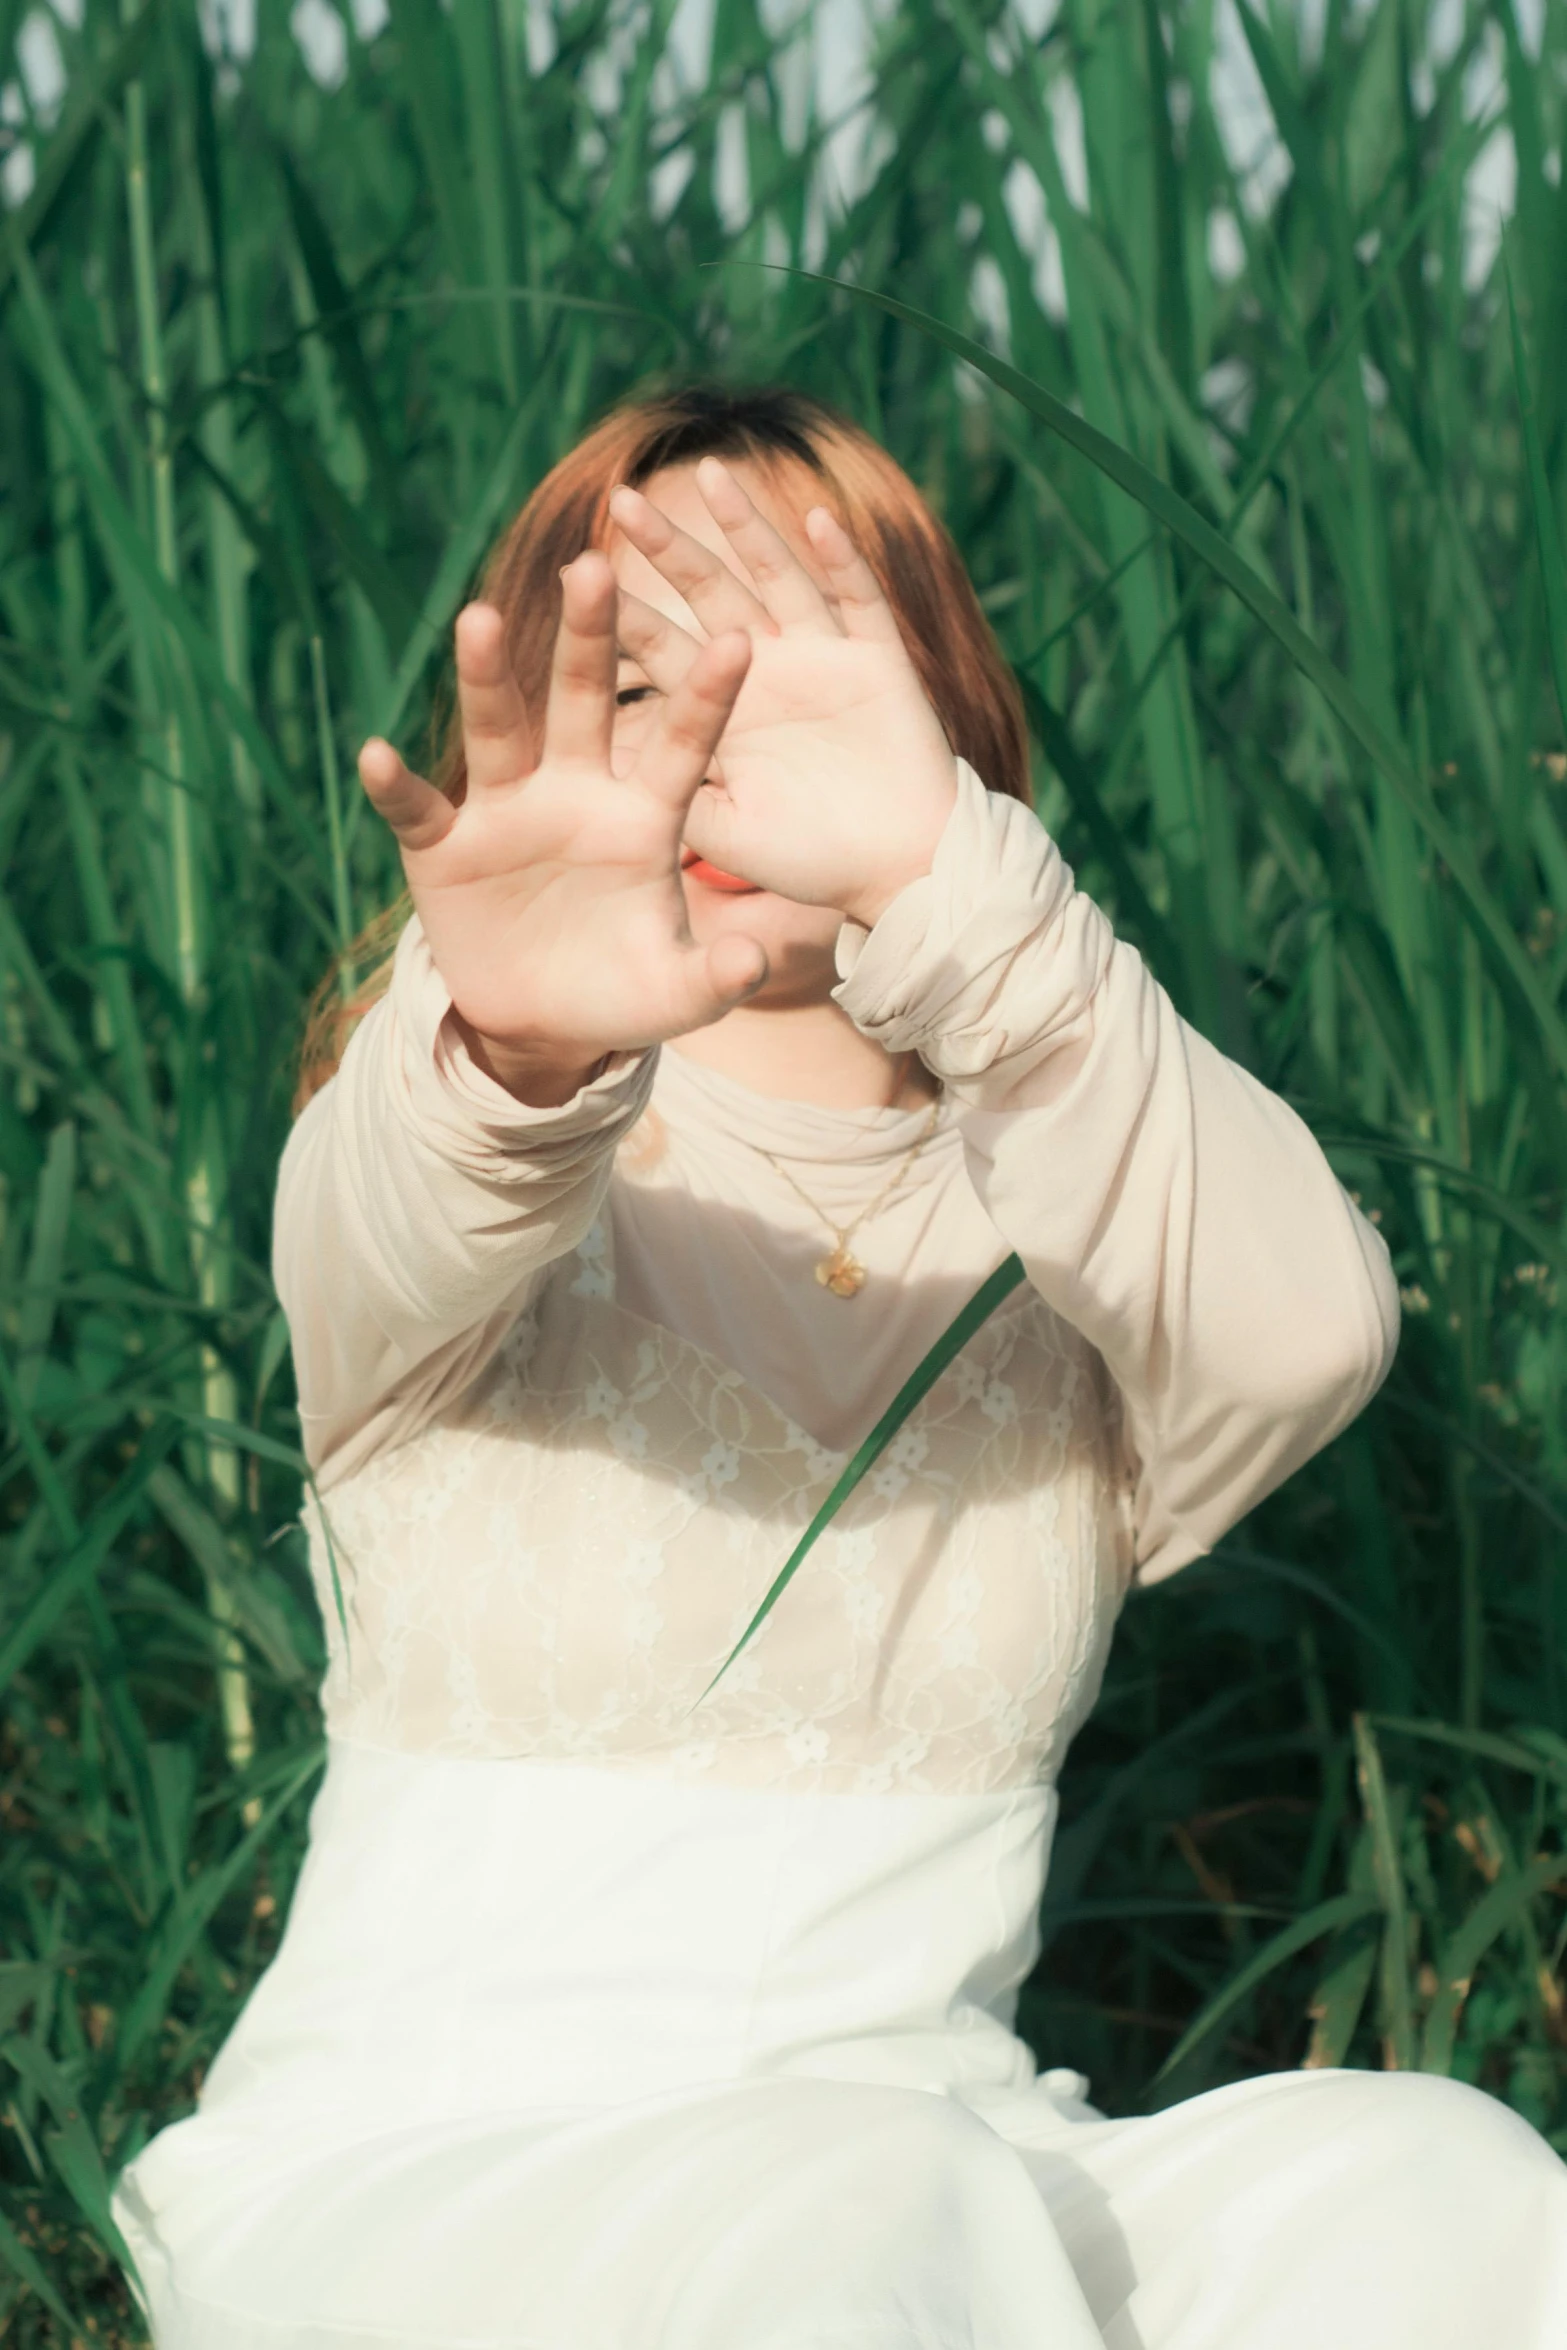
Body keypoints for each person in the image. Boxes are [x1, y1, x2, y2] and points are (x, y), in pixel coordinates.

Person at [111, 381, 1567, 2348]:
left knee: (1439, 2178)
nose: (708, 737)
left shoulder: (1080, 1184)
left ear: (943, 716)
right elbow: (411, 1187)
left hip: (953, 2164)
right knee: (869, 2199)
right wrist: (516, 1036)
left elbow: (1311, 1331)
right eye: (634, 679)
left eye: (787, 661)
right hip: (442, 2174)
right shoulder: (456, 1142)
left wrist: (955, 894)